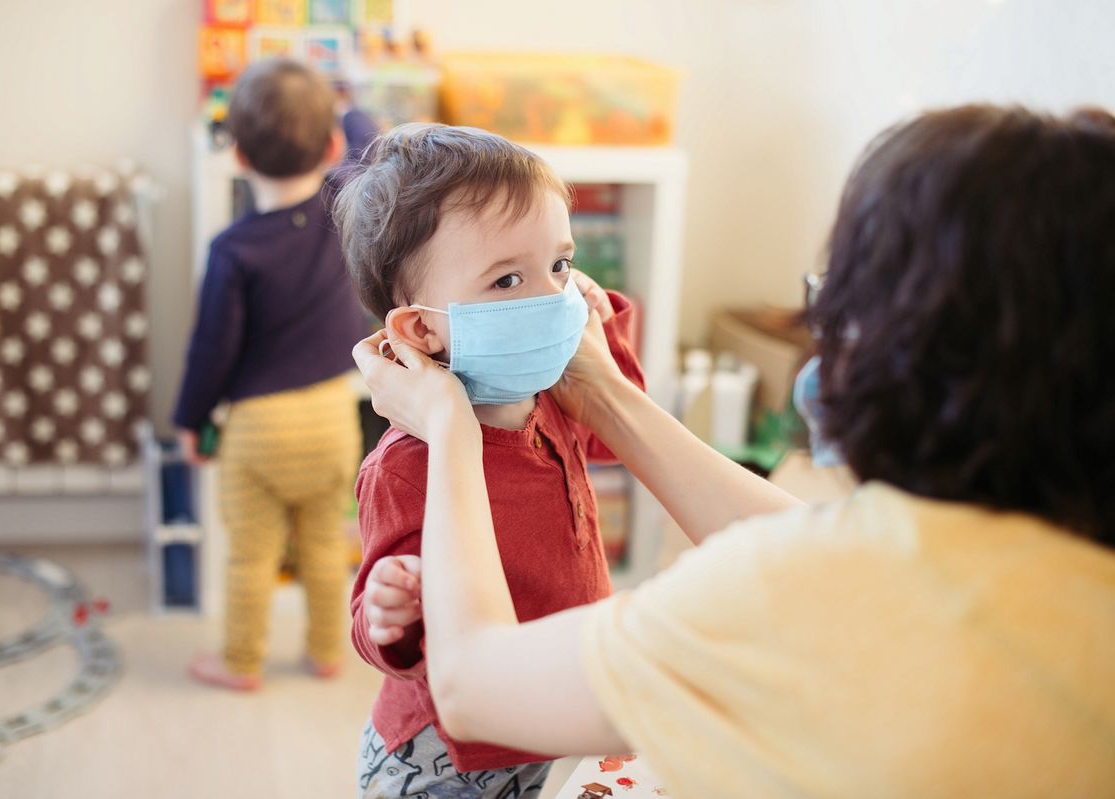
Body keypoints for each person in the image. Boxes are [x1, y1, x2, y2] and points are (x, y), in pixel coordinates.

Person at [352, 105, 1115, 798]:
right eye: (505, 279)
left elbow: (477, 684)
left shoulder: (781, 593)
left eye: (835, 297)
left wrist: (453, 424)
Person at [330, 124, 646, 797]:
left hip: (548, 709)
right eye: (508, 278)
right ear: (421, 328)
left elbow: (617, 433)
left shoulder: (549, 396)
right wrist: (388, 612)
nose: (547, 295)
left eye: (559, 265)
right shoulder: (408, 464)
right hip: (448, 755)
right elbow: (376, 623)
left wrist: (598, 324)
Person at [172, 58, 377, 690]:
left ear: (237, 154)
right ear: (331, 146)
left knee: (252, 555)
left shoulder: (233, 249)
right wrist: (348, 103)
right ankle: (325, 651)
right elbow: (368, 141)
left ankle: (241, 661)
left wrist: (189, 421)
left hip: (257, 431)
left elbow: (212, 349)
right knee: (323, 547)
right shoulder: (343, 207)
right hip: (330, 421)